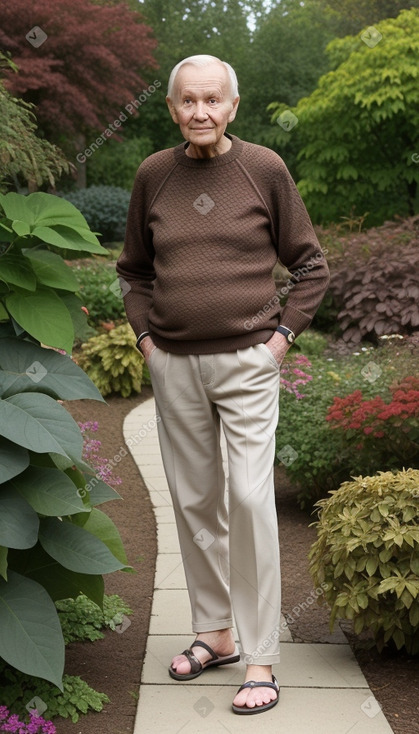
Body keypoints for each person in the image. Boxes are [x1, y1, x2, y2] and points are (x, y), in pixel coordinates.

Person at [116, 54, 330, 715]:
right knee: (195, 502)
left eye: (212, 100)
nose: (200, 112)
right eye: (187, 101)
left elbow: (310, 267)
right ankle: (215, 633)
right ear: (172, 108)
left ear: (233, 106)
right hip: (174, 364)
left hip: (246, 364)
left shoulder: (262, 169)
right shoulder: (154, 174)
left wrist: (276, 344)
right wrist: (148, 342)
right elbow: (133, 271)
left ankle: (261, 657)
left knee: (247, 498)